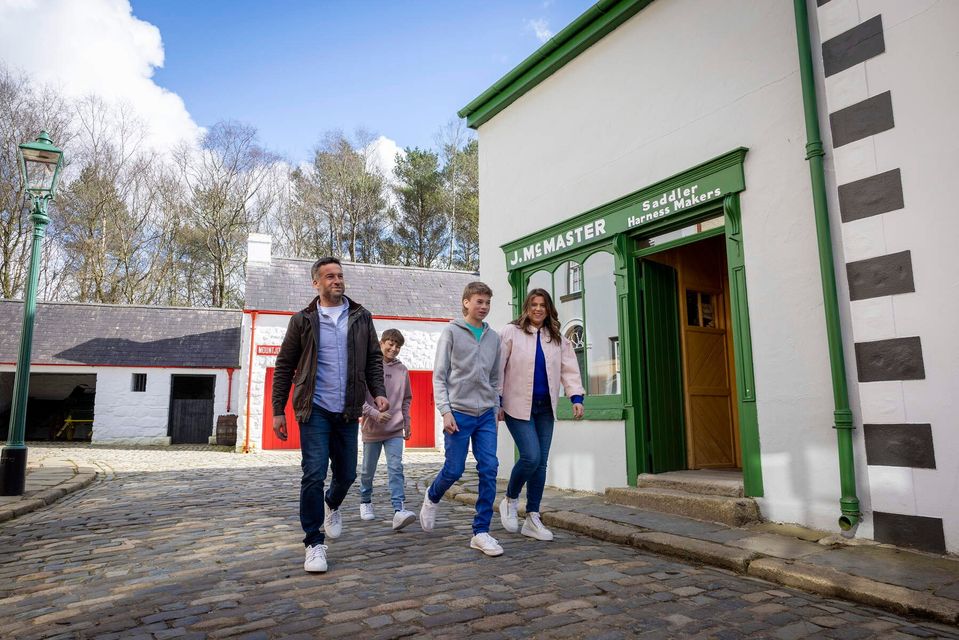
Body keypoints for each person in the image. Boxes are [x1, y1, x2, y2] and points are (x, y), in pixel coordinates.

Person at [271, 256, 388, 573]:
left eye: (340, 275)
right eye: (330, 276)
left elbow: (373, 360)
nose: (337, 280)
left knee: (348, 473)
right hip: (315, 408)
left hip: (348, 410)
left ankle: (332, 503)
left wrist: (378, 392)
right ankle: (313, 543)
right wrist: (277, 410)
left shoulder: (361, 317)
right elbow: (284, 366)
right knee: (313, 473)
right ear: (316, 283)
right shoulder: (303, 320)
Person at [420, 281, 503, 556]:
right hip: (458, 413)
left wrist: (496, 405)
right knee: (454, 470)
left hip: (486, 416)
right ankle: (432, 497)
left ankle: (481, 531)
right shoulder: (451, 332)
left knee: (489, 467)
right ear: (466, 302)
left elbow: (495, 377)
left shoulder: (494, 338)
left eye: (487, 302)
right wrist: (445, 411)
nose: (484, 307)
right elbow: (440, 376)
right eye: (479, 301)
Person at [497, 288, 585, 541]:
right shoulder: (510, 332)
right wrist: (497, 400)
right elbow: (498, 368)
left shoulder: (557, 338)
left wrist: (576, 397)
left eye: (543, 305)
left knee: (541, 463)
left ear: (548, 309)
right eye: (534, 304)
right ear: (526, 307)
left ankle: (533, 517)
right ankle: (510, 499)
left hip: (545, 407)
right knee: (531, 457)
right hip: (516, 405)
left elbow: (569, 370)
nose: (538, 309)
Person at [358, 328, 417, 531]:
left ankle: (398, 509)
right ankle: (365, 500)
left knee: (396, 468)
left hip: (394, 430)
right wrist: (374, 414)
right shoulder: (368, 367)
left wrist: (407, 422)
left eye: (398, 346)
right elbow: (358, 398)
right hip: (372, 429)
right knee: (368, 470)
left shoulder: (402, 370)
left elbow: (406, 399)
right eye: (390, 344)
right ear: (381, 343)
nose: (394, 348)